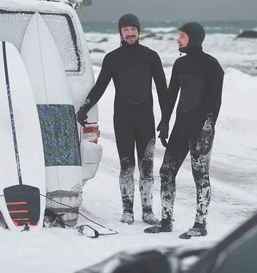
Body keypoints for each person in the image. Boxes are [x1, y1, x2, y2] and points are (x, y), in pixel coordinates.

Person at [76, 14, 168, 225]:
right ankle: (127, 210)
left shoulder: (150, 56)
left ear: (139, 31)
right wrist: (86, 107)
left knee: (147, 167)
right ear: (120, 32)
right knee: (126, 166)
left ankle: (147, 210)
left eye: (133, 29)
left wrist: (165, 120)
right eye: (126, 29)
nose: (130, 33)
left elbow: (163, 89)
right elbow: (100, 86)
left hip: (146, 120)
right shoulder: (112, 58)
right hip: (123, 121)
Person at [144, 22, 224, 239]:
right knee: (166, 172)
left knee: (200, 176)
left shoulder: (212, 66)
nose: (178, 39)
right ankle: (166, 220)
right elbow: (172, 95)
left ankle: (200, 224)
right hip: (181, 127)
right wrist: (165, 121)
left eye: (182, 36)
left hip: (201, 129)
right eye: (178, 36)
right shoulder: (180, 65)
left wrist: (207, 129)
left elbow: (215, 103)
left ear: (194, 38)